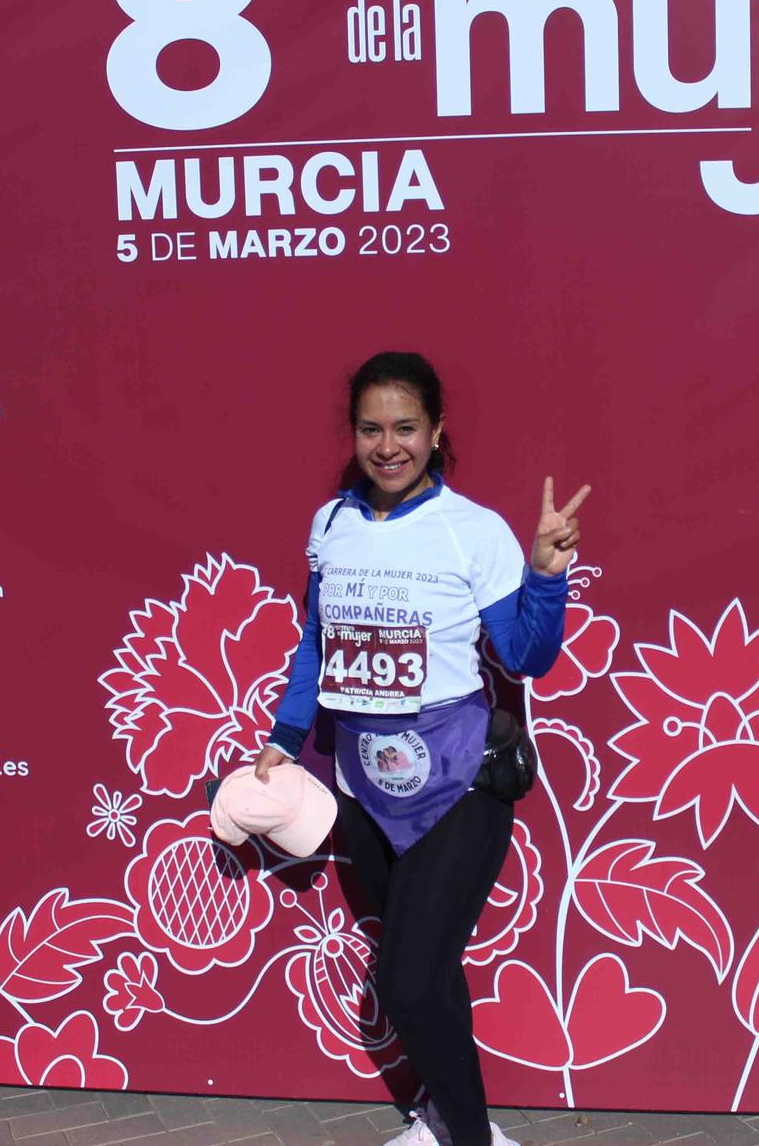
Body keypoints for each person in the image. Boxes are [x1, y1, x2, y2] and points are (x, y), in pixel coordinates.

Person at [254, 351, 587, 1146]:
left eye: (406, 427)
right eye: (371, 428)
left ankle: (469, 1139)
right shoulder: (330, 522)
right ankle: (450, 1122)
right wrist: (285, 737)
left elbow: (527, 655)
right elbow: (316, 643)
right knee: (431, 978)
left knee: (405, 983)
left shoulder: (474, 530)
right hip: (364, 791)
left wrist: (544, 575)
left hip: (458, 783)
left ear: (436, 431)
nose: (387, 444)